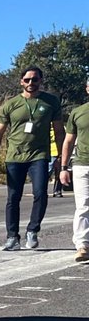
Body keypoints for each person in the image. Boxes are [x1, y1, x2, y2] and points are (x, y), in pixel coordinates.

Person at [0, 66, 64, 251]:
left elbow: (59, 130)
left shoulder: (51, 102)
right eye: (28, 80)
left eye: (35, 79)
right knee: (13, 197)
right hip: (14, 156)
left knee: (40, 193)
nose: (31, 83)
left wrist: (62, 157)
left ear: (40, 81)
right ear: (21, 82)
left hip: (39, 155)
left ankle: (33, 230)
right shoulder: (11, 104)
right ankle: (12, 237)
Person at [60, 76, 89, 263]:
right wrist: (64, 167)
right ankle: (82, 245)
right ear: (87, 89)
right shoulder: (78, 112)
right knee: (83, 206)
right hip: (82, 164)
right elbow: (68, 141)